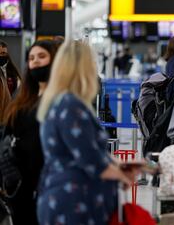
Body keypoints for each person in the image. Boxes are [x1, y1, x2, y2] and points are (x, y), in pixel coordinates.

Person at [36, 41, 137, 225]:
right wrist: (123, 175)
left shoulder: (60, 102)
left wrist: (121, 165)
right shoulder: (71, 106)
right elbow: (91, 161)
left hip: (66, 200)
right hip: (74, 205)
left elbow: (83, 150)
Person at [3, 40, 59, 225]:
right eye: (31, 58)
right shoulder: (22, 94)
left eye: (42, 56)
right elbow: (8, 131)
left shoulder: (63, 99)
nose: (35, 62)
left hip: (49, 183)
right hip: (19, 185)